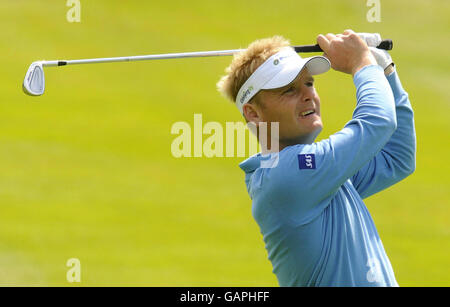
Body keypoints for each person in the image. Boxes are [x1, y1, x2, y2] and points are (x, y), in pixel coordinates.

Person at [216, 30, 416, 286]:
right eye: (289, 90)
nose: (308, 95)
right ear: (253, 114)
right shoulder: (288, 175)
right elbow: (378, 123)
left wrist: (385, 69)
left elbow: (396, 157)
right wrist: (362, 64)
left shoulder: (317, 175)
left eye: (309, 83)